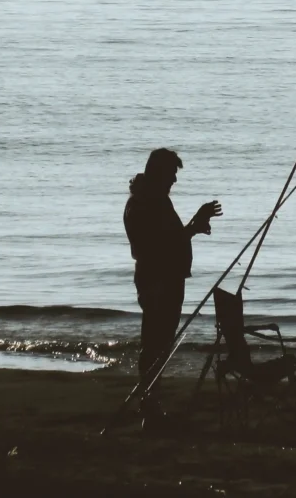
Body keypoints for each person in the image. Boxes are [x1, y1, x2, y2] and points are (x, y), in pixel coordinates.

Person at [123, 148, 222, 422]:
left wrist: (195, 226)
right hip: (158, 282)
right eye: (171, 174)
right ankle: (149, 405)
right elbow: (159, 246)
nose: (174, 180)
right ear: (158, 173)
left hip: (166, 279)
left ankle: (151, 402)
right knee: (156, 344)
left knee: (160, 344)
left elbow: (170, 238)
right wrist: (194, 225)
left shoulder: (153, 200)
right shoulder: (145, 204)